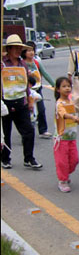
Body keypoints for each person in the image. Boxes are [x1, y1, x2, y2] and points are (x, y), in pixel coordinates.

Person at [1, 34, 42, 169]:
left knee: (29, 131)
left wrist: (29, 100)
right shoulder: (2, 63)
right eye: (16, 48)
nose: (18, 50)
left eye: (20, 48)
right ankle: (5, 159)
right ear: (9, 49)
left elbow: (26, 84)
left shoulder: (22, 64)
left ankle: (29, 158)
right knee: (6, 133)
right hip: (5, 102)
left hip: (21, 101)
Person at [53, 77, 79, 192]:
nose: (67, 88)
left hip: (72, 138)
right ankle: (62, 180)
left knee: (74, 160)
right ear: (58, 89)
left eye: (68, 86)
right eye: (64, 86)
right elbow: (63, 114)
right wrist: (72, 116)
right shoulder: (59, 103)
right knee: (62, 162)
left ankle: (65, 174)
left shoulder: (71, 102)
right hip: (61, 138)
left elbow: (77, 117)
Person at [22, 41, 55, 139]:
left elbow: (45, 74)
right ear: (24, 52)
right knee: (28, 112)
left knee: (41, 109)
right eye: (28, 51)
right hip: (27, 91)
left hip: (38, 89)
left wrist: (54, 85)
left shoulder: (37, 62)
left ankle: (43, 130)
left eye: (32, 50)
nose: (31, 52)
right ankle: (27, 132)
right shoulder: (22, 63)